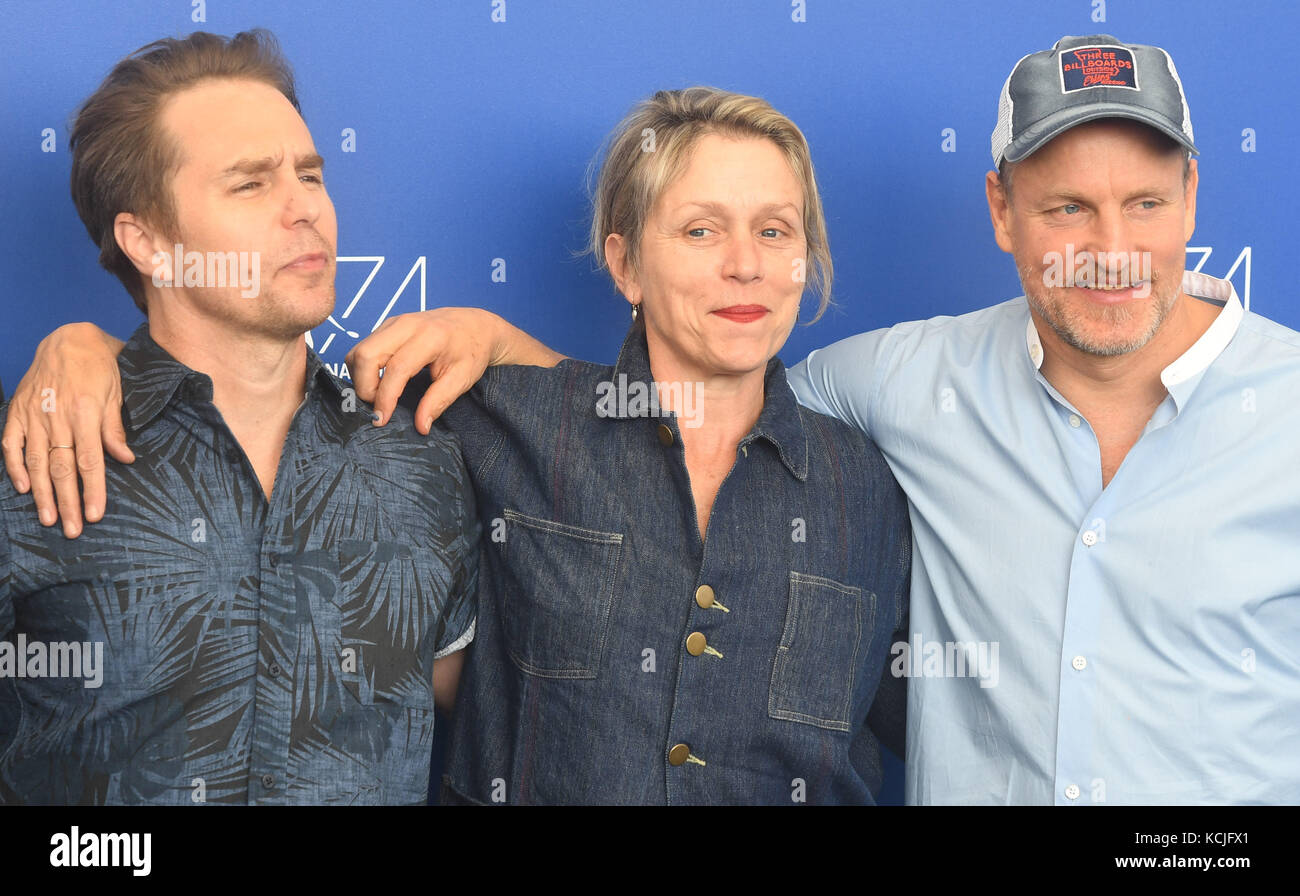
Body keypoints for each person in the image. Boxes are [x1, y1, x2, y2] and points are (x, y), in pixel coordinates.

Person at [322, 34, 1300, 803]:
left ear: (1191, 199)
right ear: (1001, 212)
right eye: (1066, 209)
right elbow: (671, 403)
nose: (1108, 247)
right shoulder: (895, 394)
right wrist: (497, 346)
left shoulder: (867, 466)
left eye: (1144, 202)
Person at [3, 86, 912, 804]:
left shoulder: (872, 484)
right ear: (626, 264)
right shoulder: (485, 427)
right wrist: (82, 349)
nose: (745, 263)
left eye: (775, 231)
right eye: (701, 229)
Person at [0, 30, 478, 804]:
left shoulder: (422, 456)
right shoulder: (28, 456)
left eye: (311, 175)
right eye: (251, 185)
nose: (306, 210)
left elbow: (498, 718)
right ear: (148, 241)